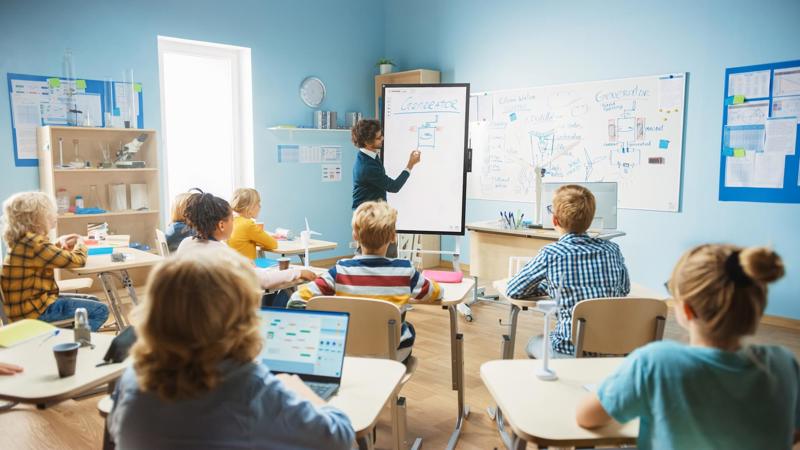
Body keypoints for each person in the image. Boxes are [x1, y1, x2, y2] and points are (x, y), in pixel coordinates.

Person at [108, 249, 355, 449]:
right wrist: (302, 392)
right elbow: (340, 437)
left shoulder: (132, 379)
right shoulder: (250, 387)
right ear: (239, 317)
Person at [576, 244, 799, 450]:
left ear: (687, 310)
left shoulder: (654, 362)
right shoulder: (785, 364)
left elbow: (586, 417)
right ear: (757, 307)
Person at [289, 201, 441, 362]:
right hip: (392, 356)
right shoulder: (405, 271)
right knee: (408, 328)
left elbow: (296, 301)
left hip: (347, 354)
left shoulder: (340, 271)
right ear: (393, 237)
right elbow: (435, 293)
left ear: (355, 236)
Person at [506, 184, 629, 358]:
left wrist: (549, 285)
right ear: (591, 219)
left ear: (555, 221)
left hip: (569, 350)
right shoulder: (612, 250)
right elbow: (624, 289)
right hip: (610, 349)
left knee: (533, 343)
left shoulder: (551, 254)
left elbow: (514, 290)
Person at [176, 190, 315, 299]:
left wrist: (241, 262)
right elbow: (264, 280)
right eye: (232, 219)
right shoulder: (222, 254)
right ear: (222, 225)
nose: (234, 222)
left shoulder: (186, 244)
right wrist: (298, 272)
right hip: (222, 316)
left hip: (192, 313)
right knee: (287, 293)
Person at [1, 192, 109, 330]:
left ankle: (67, 336)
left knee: (93, 302)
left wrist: (57, 243)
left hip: (26, 308)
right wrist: (81, 242)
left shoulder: (25, 241)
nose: (55, 216)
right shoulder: (36, 245)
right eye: (51, 213)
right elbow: (78, 260)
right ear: (36, 218)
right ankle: (76, 343)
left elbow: (43, 256)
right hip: (34, 312)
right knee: (100, 310)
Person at [351, 119, 421, 258]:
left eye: (381, 135)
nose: (382, 139)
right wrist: (410, 165)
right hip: (369, 218)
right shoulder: (367, 166)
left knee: (381, 253)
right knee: (382, 255)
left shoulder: (367, 156)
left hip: (372, 214)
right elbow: (393, 186)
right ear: (367, 142)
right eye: (378, 138)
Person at [227, 188, 278, 260]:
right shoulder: (247, 224)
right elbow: (273, 244)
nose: (260, 206)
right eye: (257, 203)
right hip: (247, 268)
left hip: (234, 267)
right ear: (248, 207)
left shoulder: (230, 221)